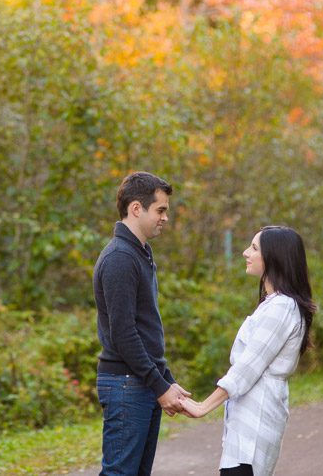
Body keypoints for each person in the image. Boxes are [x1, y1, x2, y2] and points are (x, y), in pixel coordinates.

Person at [181, 226, 317, 476]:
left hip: (255, 422)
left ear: (274, 258)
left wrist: (202, 406)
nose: (246, 253)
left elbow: (246, 369)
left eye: (254, 248)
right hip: (249, 419)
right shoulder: (274, 304)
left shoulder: (282, 307)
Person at [93, 171, 191, 476]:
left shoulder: (140, 253)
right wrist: (159, 385)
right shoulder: (120, 258)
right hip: (125, 384)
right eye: (160, 210)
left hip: (140, 382)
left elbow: (146, 330)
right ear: (137, 208)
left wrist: (166, 380)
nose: (165, 218)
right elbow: (124, 335)